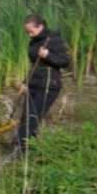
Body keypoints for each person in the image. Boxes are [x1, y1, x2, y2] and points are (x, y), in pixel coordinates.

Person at [12, 14, 70, 156]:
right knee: (26, 117)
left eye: (32, 31)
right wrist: (26, 82)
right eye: (28, 32)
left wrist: (48, 55)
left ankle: (16, 147)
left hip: (50, 85)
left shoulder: (53, 40)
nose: (30, 35)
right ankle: (30, 148)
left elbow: (65, 62)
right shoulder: (34, 41)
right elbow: (35, 65)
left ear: (40, 26)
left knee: (33, 117)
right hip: (34, 83)